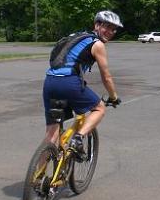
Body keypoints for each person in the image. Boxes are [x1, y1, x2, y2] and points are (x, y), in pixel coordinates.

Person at [42, 10, 122, 160]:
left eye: (114, 29)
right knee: (99, 108)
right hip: (69, 82)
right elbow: (106, 77)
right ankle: (78, 139)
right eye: (107, 26)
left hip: (50, 81)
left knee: (51, 135)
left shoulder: (75, 37)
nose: (110, 31)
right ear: (97, 25)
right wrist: (113, 96)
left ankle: (37, 178)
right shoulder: (97, 44)